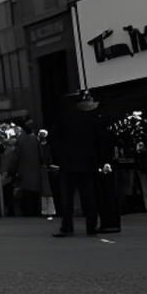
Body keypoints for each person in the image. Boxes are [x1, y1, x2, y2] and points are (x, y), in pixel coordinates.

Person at [51, 90, 112, 238]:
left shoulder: (63, 117)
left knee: (67, 198)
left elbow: (55, 140)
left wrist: (57, 160)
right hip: (88, 162)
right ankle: (91, 226)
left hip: (68, 163)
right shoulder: (91, 117)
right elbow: (99, 140)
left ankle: (67, 227)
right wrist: (101, 159)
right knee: (89, 196)